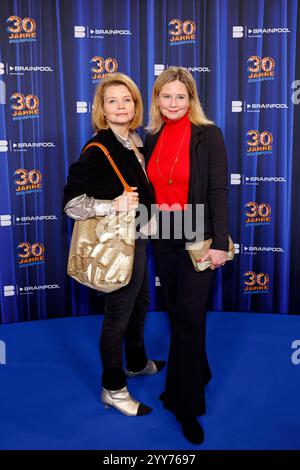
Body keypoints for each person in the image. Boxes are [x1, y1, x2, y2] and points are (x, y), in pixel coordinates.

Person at [63, 73, 165, 417]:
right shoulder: (98, 148)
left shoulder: (134, 140)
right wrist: (113, 205)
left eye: (127, 100)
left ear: (135, 105)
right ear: (102, 110)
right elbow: (72, 203)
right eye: (112, 101)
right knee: (117, 317)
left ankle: (135, 363)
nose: (121, 106)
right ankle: (113, 388)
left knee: (140, 305)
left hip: (138, 238)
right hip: (117, 246)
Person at [144, 67, 229, 443]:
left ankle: (186, 404)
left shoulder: (208, 134)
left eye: (180, 96)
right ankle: (199, 372)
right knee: (178, 313)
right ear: (157, 100)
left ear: (190, 99)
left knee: (190, 319)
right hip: (161, 230)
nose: (173, 103)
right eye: (166, 96)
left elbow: (218, 190)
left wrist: (220, 243)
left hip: (198, 230)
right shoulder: (149, 136)